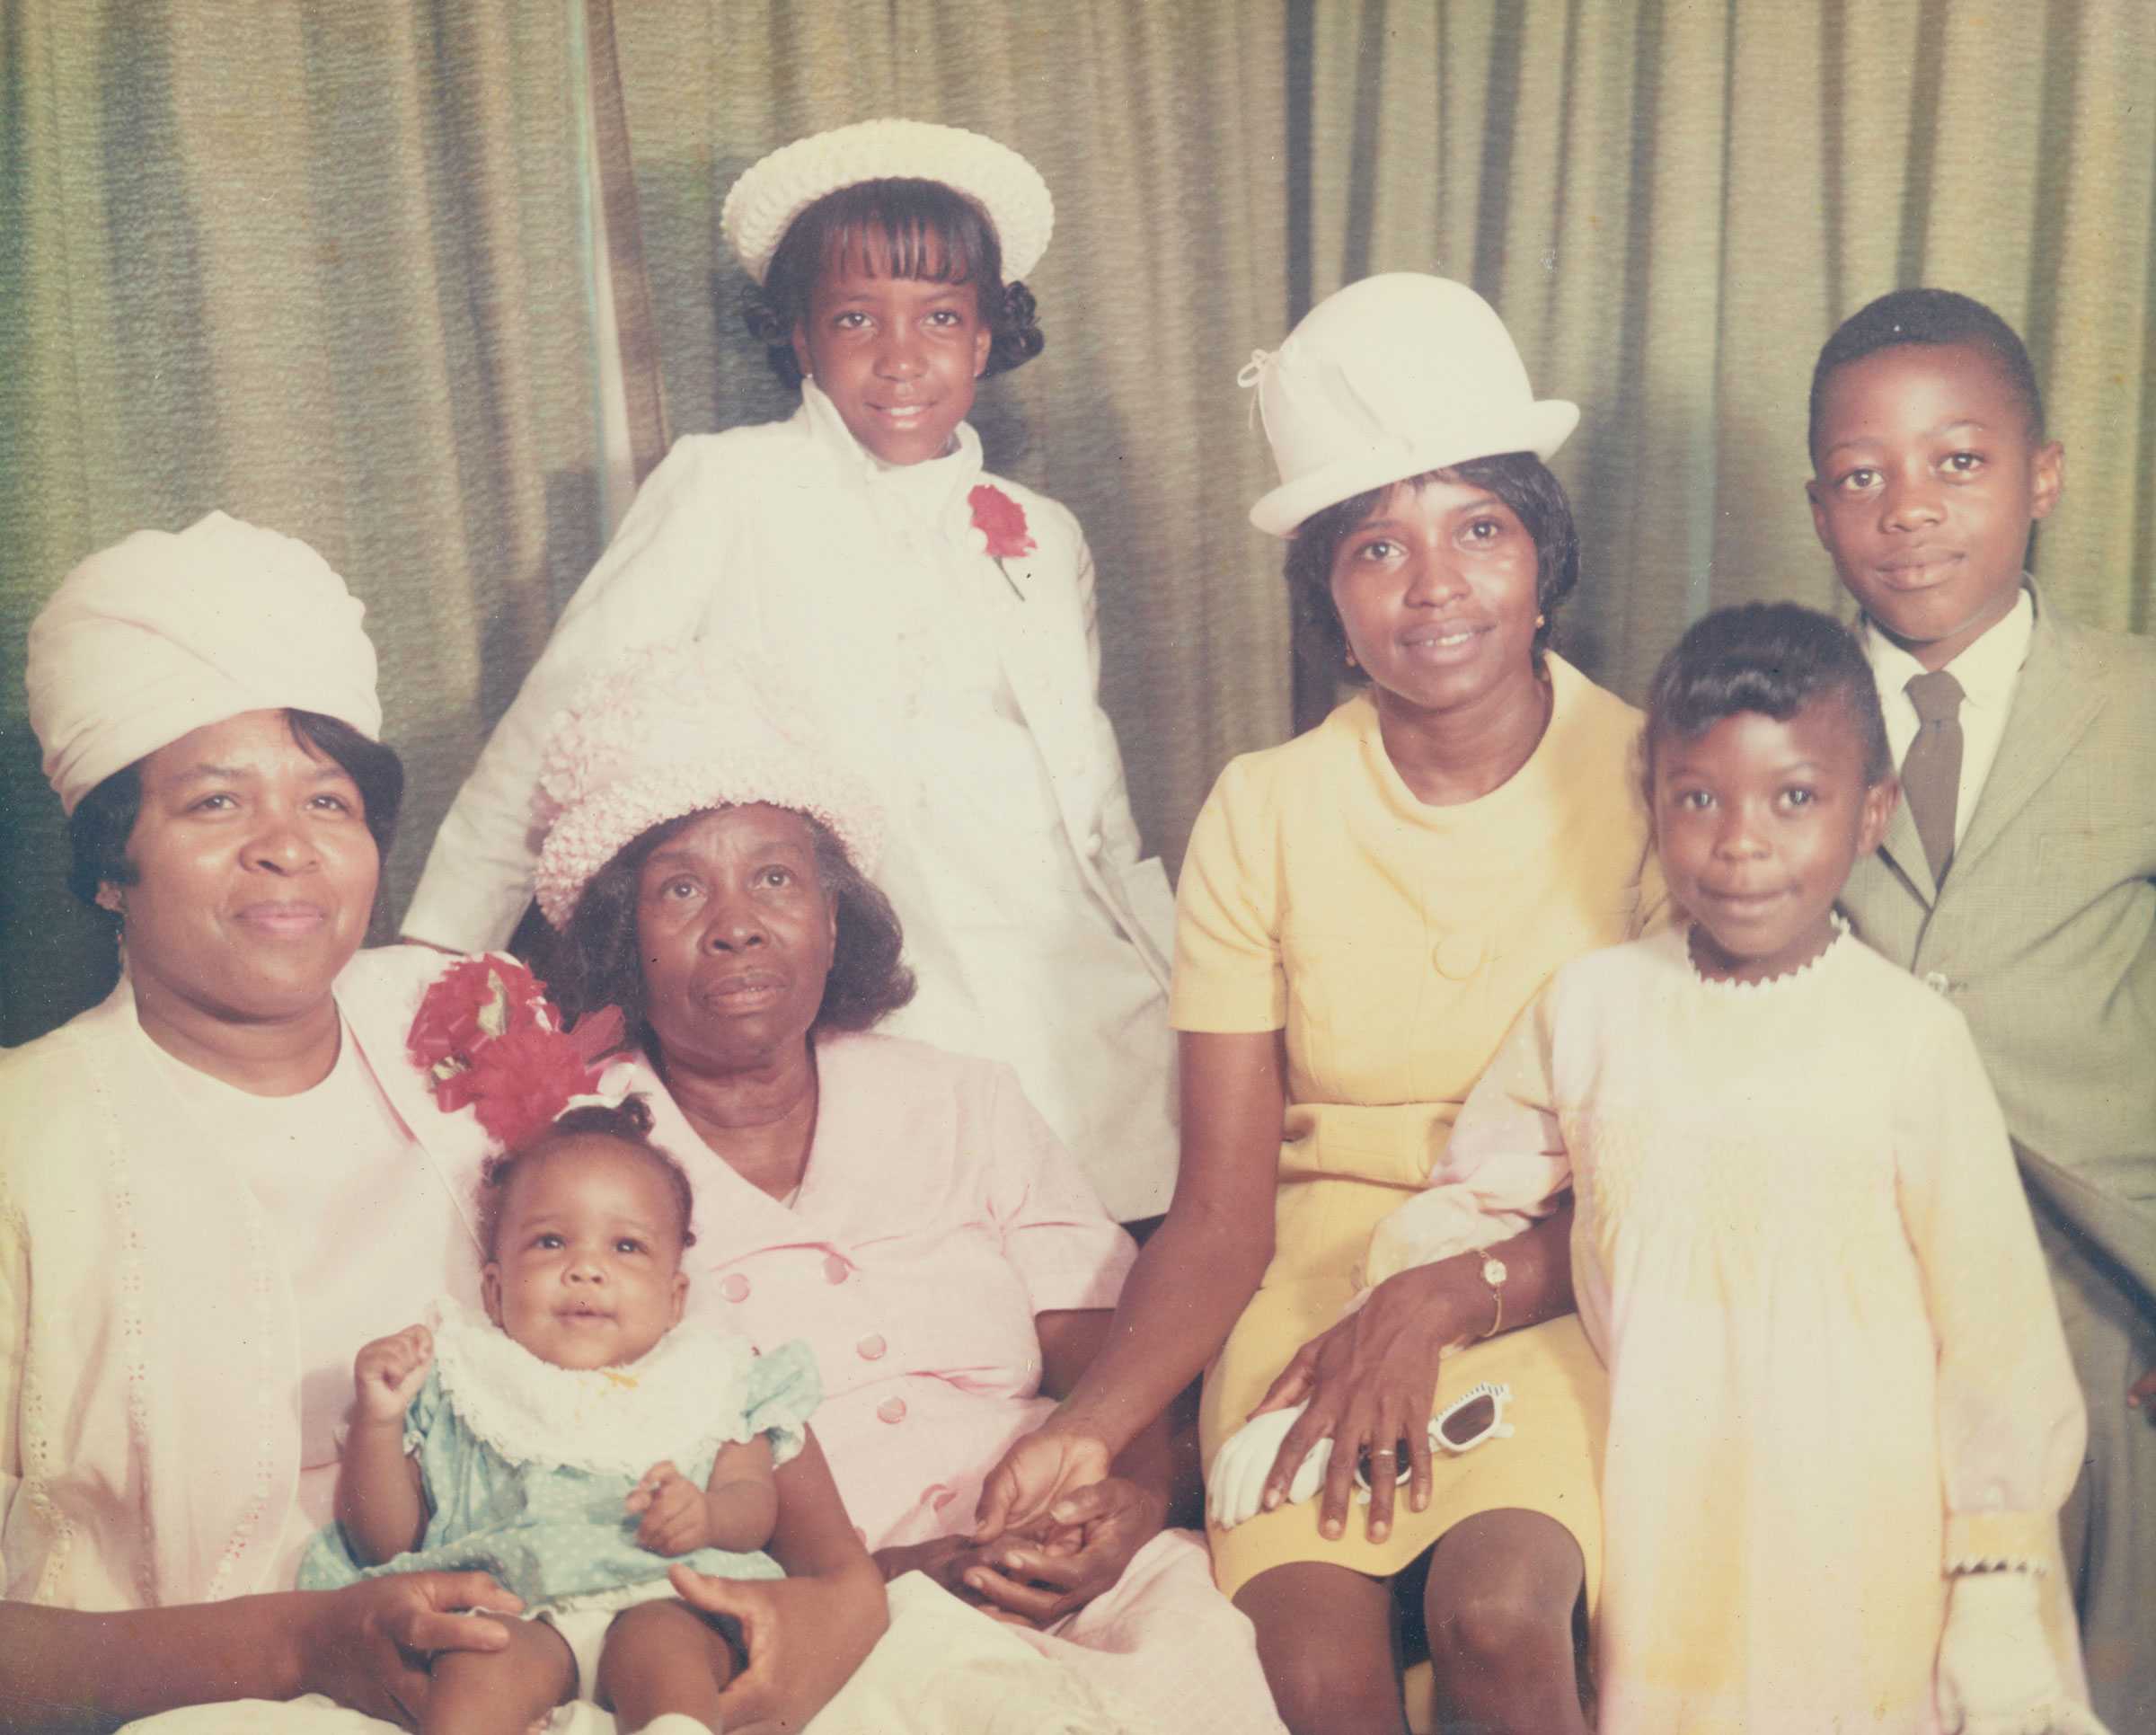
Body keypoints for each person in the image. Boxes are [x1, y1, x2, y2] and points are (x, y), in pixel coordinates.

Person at [0, 514, 884, 1735]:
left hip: (582, 1651)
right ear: (110, 863)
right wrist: (299, 1639)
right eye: (214, 802)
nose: (287, 849)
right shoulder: (23, 1136)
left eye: (330, 798)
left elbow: (690, 1346)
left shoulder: (450, 1013)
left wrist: (848, 1590)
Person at [978, 274, 1662, 1735]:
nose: (1434, 585)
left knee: (1495, 1617)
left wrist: (1445, 1297)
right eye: (1377, 545)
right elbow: (1222, 1213)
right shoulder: (1264, 810)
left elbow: (1673, 1181)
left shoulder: (1662, 784)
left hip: (1553, 1283)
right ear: (1331, 604)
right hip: (1306, 1296)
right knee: (1306, 1674)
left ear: (1544, 551)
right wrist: (1089, 1434)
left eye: (1478, 527)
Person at [403, 117, 1179, 1225]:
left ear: (989, 336)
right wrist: (436, 962)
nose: (902, 358)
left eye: (942, 319)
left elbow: (1093, 806)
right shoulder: (731, 487)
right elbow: (553, 731)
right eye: (857, 319)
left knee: (1119, 1271)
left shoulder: (1045, 536)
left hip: (1074, 995)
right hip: (883, 991)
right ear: (801, 339)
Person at [1359, 602, 2099, 1731]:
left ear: (1871, 814)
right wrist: (1409, 1304)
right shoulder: (1596, 1008)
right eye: (1698, 796)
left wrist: (1995, 1571)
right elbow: (1474, 1195)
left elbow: (1995, 1329)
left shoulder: (1906, 1038)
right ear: (1651, 805)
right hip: (1671, 1517)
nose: (1741, 841)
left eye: (1794, 797)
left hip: (1871, 1536)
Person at [530, 642, 1287, 1734]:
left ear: (835, 918)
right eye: (681, 887)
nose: (736, 921)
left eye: (777, 877)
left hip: (1086, 1575)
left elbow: (1115, 1363)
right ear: (618, 936)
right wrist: (884, 1574)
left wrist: (1136, 1498)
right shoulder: (576, 1158)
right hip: (814, 1623)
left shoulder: (962, 1098)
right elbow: (581, 1472)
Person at [1807, 288, 2156, 1728]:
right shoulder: (1772, 726)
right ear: (1818, 505)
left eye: (1959, 461)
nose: (1910, 510)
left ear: (2045, 477)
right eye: (1862, 474)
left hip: (2111, 1286)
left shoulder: (2137, 704)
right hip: (1855, 1277)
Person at [302, 1100, 821, 1735]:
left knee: (669, 1650)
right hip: (512, 1608)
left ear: (674, 1297)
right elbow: (386, 1540)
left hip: (663, 1593)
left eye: (626, 1245)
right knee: (479, 1661)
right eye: (551, 1241)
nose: (586, 1268)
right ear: (494, 1289)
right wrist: (379, 1423)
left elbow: (753, 1499)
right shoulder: (461, 1378)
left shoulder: (711, 1377)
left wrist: (709, 1514)